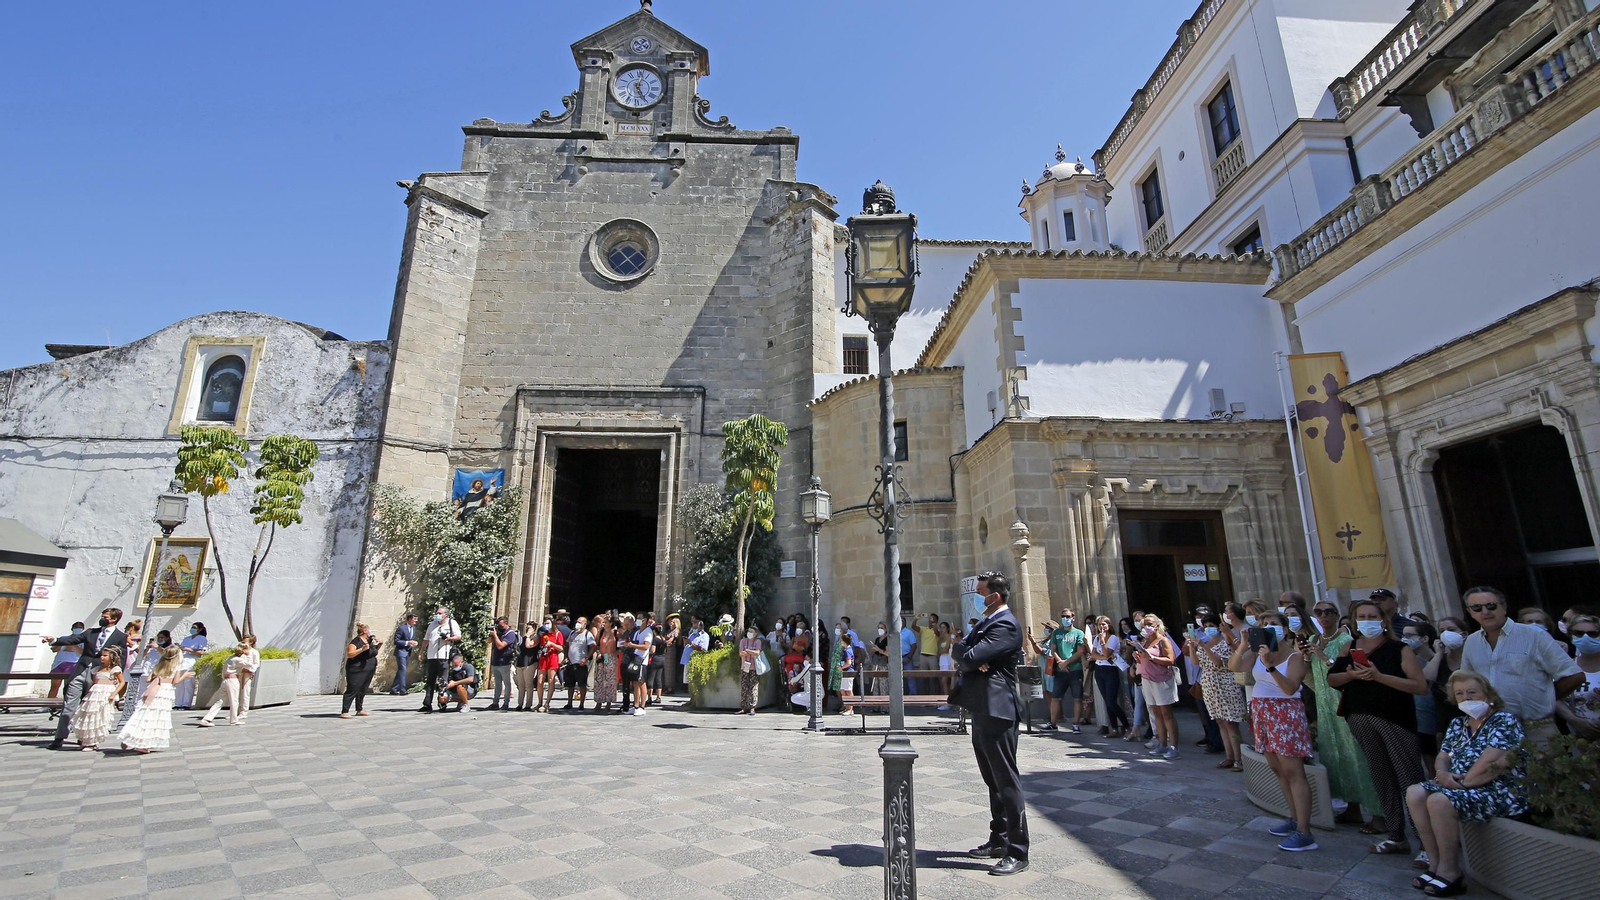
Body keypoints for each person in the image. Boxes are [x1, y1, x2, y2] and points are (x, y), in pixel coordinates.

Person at [1406, 671, 1528, 897]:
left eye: (1472, 692)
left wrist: (1458, 786)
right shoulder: (1458, 723)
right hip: (1459, 785)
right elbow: (1443, 755)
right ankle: (1435, 864)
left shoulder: (1504, 720)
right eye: (1460, 694)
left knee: (1439, 800)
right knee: (1415, 793)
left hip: (1496, 789)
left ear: (1488, 695)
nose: (1466, 698)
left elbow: (1492, 763)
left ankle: (1450, 871)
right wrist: (1442, 773)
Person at [1328, 597, 1429, 856]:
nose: (1367, 621)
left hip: (1395, 719)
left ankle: (1427, 843)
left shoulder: (1399, 649)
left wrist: (1379, 677)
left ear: (1383, 621)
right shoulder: (1350, 646)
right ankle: (1396, 836)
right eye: (1362, 617)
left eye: (1372, 617)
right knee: (1381, 776)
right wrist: (1350, 675)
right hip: (1359, 717)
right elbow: (1333, 679)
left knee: (1409, 779)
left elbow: (1419, 686)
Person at [951, 573, 1028, 876]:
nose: (978, 597)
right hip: (982, 707)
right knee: (992, 780)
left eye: (981, 592)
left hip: (998, 709)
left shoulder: (1005, 624)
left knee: (1006, 780)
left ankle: (1018, 850)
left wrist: (971, 656)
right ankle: (1000, 839)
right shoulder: (987, 622)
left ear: (994, 596)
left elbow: (970, 656)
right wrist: (969, 655)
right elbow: (961, 649)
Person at [1459, 586, 1583, 746]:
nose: (1485, 612)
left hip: (1536, 729)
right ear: (1470, 612)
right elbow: (1465, 683)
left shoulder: (1534, 635)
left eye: (1491, 606)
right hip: (1494, 731)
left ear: (1504, 607)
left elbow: (1574, 676)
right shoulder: (1471, 642)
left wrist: (1545, 698)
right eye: (1477, 608)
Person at [1307, 599, 1383, 830]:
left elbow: (1345, 669)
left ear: (1336, 614)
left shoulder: (1345, 640)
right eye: (1319, 612)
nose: (1324, 616)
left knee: (1358, 757)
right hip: (1324, 705)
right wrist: (1306, 656)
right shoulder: (1313, 639)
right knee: (1336, 758)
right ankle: (1352, 808)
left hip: (1344, 702)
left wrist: (1322, 656)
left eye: (1329, 612)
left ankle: (1379, 814)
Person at [1246, 610, 1319, 852]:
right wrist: (1245, 646)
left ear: (1285, 630)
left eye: (1274, 624)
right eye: (1264, 624)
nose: (1268, 627)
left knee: (1293, 771)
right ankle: (1294, 818)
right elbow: (1235, 665)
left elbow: (1290, 688)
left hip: (1285, 713)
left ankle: (1305, 831)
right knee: (1278, 769)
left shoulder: (1294, 657)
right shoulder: (1259, 653)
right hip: (1262, 711)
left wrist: (1270, 667)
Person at [43, 607, 127, 750]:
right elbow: (74, 639)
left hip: (99, 675)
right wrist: (55, 640)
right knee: (69, 705)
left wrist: (114, 675)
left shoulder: (120, 636)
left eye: (106, 617)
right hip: (81, 670)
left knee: (89, 708)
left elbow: (121, 657)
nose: (102, 619)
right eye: (102, 616)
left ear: (114, 619)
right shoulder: (91, 632)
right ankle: (60, 737)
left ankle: (84, 737)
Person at [1189, 610, 1246, 770]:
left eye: (1211, 625)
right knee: (1220, 721)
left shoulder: (1225, 642)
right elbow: (1196, 662)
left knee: (1231, 723)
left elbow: (1218, 662)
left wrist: (1202, 646)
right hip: (1209, 685)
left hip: (1226, 684)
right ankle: (1229, 756)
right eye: (1206, 626)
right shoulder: (1205, 643)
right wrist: (1192, 647)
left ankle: (1239, 759)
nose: (1208, 628)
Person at [119, 645, 192, 753]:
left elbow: (148, 679)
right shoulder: (176, 667)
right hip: (165, 692)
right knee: (156, 717)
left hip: (153, 690)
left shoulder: (158, 665)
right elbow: (175, 682)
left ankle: (131, 737)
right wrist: (185, 675)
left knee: (144, 714)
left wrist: (157, 677)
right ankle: (143, 744)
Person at [1133, 614, 1181, 759]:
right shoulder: (1145, 641)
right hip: (1147, 679)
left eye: (1149, 624)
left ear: (1157, 625)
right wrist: (1138, 657)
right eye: (1144, 625)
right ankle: (1162, 743)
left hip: (1162, 680)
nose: (1146, 627)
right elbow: (1145, 658)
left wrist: (1152, 657)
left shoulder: (1163, 640)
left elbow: (1170, 660)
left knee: (1166, 713)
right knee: (1155, 713)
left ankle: (1174, 746)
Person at [1042, 607, 1087, 734]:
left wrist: (1066, 662)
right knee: (1055, 697)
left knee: (1077, 698)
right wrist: (1060, 662)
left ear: (1073, 618)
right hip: (1060, 671)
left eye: (1068, 616)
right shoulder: (1056, 633)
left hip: (1075, 670)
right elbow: (1053, 649)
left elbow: (1080, 651)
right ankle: (1053, 723)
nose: (1065, 619)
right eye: (1063, 616)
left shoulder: (1078, 633)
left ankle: (1076, 724)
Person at [1555, 614, 1600, 739]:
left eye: (1592, 633)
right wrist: (1575, 721)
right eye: (1579, 633)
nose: (1585, 637)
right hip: (1580, 741)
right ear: (1571, 635)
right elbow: (1554, 697)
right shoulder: (1565, 668)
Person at [71, 646, 124, 751]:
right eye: (101, 655)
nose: (102, 657)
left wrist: (114, 694)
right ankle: (87, 740)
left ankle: (93, 742)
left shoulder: (115, 670)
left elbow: (121, 682)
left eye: (105, 655)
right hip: (95, 693)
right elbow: (94, 682)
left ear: (112, 657)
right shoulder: (97, 669)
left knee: (99, 716)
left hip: (105, 693)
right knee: (89, 715)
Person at [1403, 621, 1441, 761]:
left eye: (1409, 635)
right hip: (1422, 723)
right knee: (1430, 763)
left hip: (1442, 719)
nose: (1404, 639)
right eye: (1403, 635)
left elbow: (1427, 679)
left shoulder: (1441, 658)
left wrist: (1439, 655)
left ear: (1424, 639)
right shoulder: (1410, 662)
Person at [1088, 615, 1130, 737]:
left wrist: (1102, 641)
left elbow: (1107, 652)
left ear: (1108, 625)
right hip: (1099, 669)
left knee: (1111, 701)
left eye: (1103, 624)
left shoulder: (1113, 638)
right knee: (1107, 701)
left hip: (1110, 670)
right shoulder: (1097, 638)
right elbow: (1093, 655)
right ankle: (1114, 728)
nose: (1101, 626)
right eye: (1099, 624)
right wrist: (1102, 657)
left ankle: (1127, 726)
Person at [419, 606, 461, 713]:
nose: (437, 615)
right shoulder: (432, 624)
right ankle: (427, 704)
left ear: (446, 614)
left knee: (443, 681)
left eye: (440, 613)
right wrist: (421, 651)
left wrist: (449, 638)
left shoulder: (451, 623)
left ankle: (442, 703)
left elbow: (458, 636)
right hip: (432, 656)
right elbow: (426, 639)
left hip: (444, 656)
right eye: (437, 613)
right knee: (430, 681)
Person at [201, 642, 254, 726]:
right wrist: (249, 655)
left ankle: (207, 718)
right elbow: (250, 665)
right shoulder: (238, 660)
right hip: (233, 680)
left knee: (220, 701)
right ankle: (233, 720)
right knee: (234, 701)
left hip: (225, 680)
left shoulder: (230, 658)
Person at [339, 625, 381, 718]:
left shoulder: (369, 641)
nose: (370, 631)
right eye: (369, 630)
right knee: (353, 688)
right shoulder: (356, 641)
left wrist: (379, 644)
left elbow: (372, 652)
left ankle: (359, 709)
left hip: (368, 669)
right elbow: (350, 654)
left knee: (363, 689)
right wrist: (361, 649)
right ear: (365, 631)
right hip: (357, 669)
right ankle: (345, 711)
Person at [623, 613, 653, 715]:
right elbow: (635, 643)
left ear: (646, 620)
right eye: (637, 618)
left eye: (640, 618)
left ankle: (642, 706)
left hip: (642, 661)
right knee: (635, 683)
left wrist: (632, 645)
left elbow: (645, 646)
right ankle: (635, 705)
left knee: (641, 682)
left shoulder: (648, 632)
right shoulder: (637, 632)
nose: (638, 620)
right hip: (634, 659)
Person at [486, 616, 518, 711]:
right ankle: (495, 702)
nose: (500, 627)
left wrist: (495, 635)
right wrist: (492, 634)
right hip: (496, 661)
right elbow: (489, 641)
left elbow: (500, 646)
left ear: (506, 624)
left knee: (507, 683)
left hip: (505, 662)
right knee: (498, 684)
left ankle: (506, 702)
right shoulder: (500, 632)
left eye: (501, 625)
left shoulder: (510, 634)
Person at [174, 621, 208, 709]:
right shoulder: (186, 639)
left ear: (200, 629)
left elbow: (201, 652)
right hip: (182, 661)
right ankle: (178, 703)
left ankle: (186, 703)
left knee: (188, 683)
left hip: (192, 661)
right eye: (192, 627)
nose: (192, 629)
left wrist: (188, 649)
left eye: (195, 628)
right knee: (179, 684)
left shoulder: (202, 639)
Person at [46, 621, 85, 698]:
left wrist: (74, 645)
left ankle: (66, 703)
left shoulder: (83, 641)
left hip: (73, 664)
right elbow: (54, 650)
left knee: (69, 687)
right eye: (76, 627)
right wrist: (63, 643)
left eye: (80, 628)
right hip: (59, 663)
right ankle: (49, 703)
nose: (77, 629)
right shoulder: (63, 638)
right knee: (54, 686)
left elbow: (82, 652)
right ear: (72, 629)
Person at [533, 619, 564, 712]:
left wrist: (552, 644)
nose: (546, 625)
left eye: (548, 623)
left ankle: (547, 703)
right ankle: (540, 702)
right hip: (543, 658)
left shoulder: (558, 634)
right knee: (540, 681)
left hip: (552, 658)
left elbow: (561, 648)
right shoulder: (544, 634)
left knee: (551, 680)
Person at [565, 615, 594, 710]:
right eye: (577, 621)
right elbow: (567, 645)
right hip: (571, 662)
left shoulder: (587, 634)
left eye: (580, 622)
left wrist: (586, 658)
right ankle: (569, 703)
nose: (577, 624)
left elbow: (593, 646)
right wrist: (566, 657)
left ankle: (581, 704)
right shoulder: (572, 633)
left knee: (582, 684)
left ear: (584, 624)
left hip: (581, 663)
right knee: (570, 684)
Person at [593, 614, 620, 712]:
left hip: (611, 657)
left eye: (606, 622)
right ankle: (598, 702)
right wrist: (598, 653)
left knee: (610, 680)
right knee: (599, 679)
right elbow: (596, 645)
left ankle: (609, 702)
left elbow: (621, 645)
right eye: (603, 622)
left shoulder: (616, 633)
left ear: (611, 623)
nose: (604, 624)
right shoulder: (601, 632)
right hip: (602, 657)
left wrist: (615, 653)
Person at [514, 621, 540, 711]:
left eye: (529, 628)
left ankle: (528, 704)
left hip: (530, 662)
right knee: (521, 684)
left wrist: (528, 636)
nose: (527, 629)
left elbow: (529, 645)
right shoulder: (524, 637)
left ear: (534, 629)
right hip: (521, 662)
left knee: (528, 684)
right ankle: (519, 704)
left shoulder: (536, 638)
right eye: (527, 628)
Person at [389, 613, 419, 694]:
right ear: (409, 619)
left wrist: (413, 643)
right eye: (414, 619)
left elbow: (411, 639)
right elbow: (396, 641)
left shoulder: (414, 629)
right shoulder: (402, 628)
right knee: (403, 670)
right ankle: (402, 689)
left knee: (401, 670)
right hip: (401, 652)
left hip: (408, 652)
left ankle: (394, 689)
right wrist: (407, 642)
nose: (416, 621)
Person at [738, 625, 764, 715]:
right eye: (748, 631)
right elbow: (741, 653)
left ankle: (752, 707)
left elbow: (757, 652)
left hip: (754, 667)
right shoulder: (743, 641)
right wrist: (750, 652)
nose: (749, 633)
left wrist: (747, 651)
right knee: (744, 686)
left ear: (755, 634)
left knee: (754, 687)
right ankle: (743, 707)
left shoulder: (757, 642)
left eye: (751, 632)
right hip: (745, 667)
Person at [645, 613, 668, 705]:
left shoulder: (655, 639)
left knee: (650, 678)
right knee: (659, 678)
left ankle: (649, 697)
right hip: (662, 658)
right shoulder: (664, 639)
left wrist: (649, 651)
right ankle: (658, 697)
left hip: (655, 659)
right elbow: (665, 650)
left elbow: (653, 650)